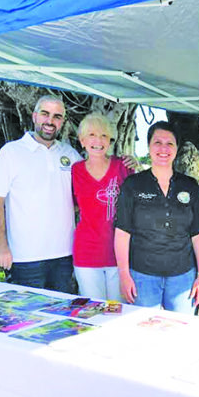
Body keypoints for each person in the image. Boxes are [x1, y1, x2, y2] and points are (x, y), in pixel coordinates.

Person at [0, 96, 81, 293]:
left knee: (62, 317)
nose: (50, 121)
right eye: (45, 114)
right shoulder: (11, 152)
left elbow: (90, 189)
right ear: (35, 116)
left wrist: (124, 163)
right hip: (25, 257)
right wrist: (1, 247)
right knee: (26, 317)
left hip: (64, 256)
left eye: (57, 116)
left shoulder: (70, 155)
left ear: (62, 122)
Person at [114, 121, 199, 313]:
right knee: (144, 333)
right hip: (142, 275)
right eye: (157, 142)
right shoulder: (133, 184)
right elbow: (122, 232)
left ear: (176, 148)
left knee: (180, 332)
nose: (163, 148)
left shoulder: (189, 185)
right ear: (148, 146)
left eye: (170, 143)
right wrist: (124, 274)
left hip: (183, 277)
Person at [71, 112, 136, 300]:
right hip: (87, 252)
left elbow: (139, 204)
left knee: (118, 310)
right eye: (91, 135)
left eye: (104, 136)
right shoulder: (75, 171)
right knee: (92, 310)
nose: (98, 140)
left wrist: (137, 166)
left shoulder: (123, 167)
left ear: (110, 141)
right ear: (82, 141)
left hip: (119, 253)